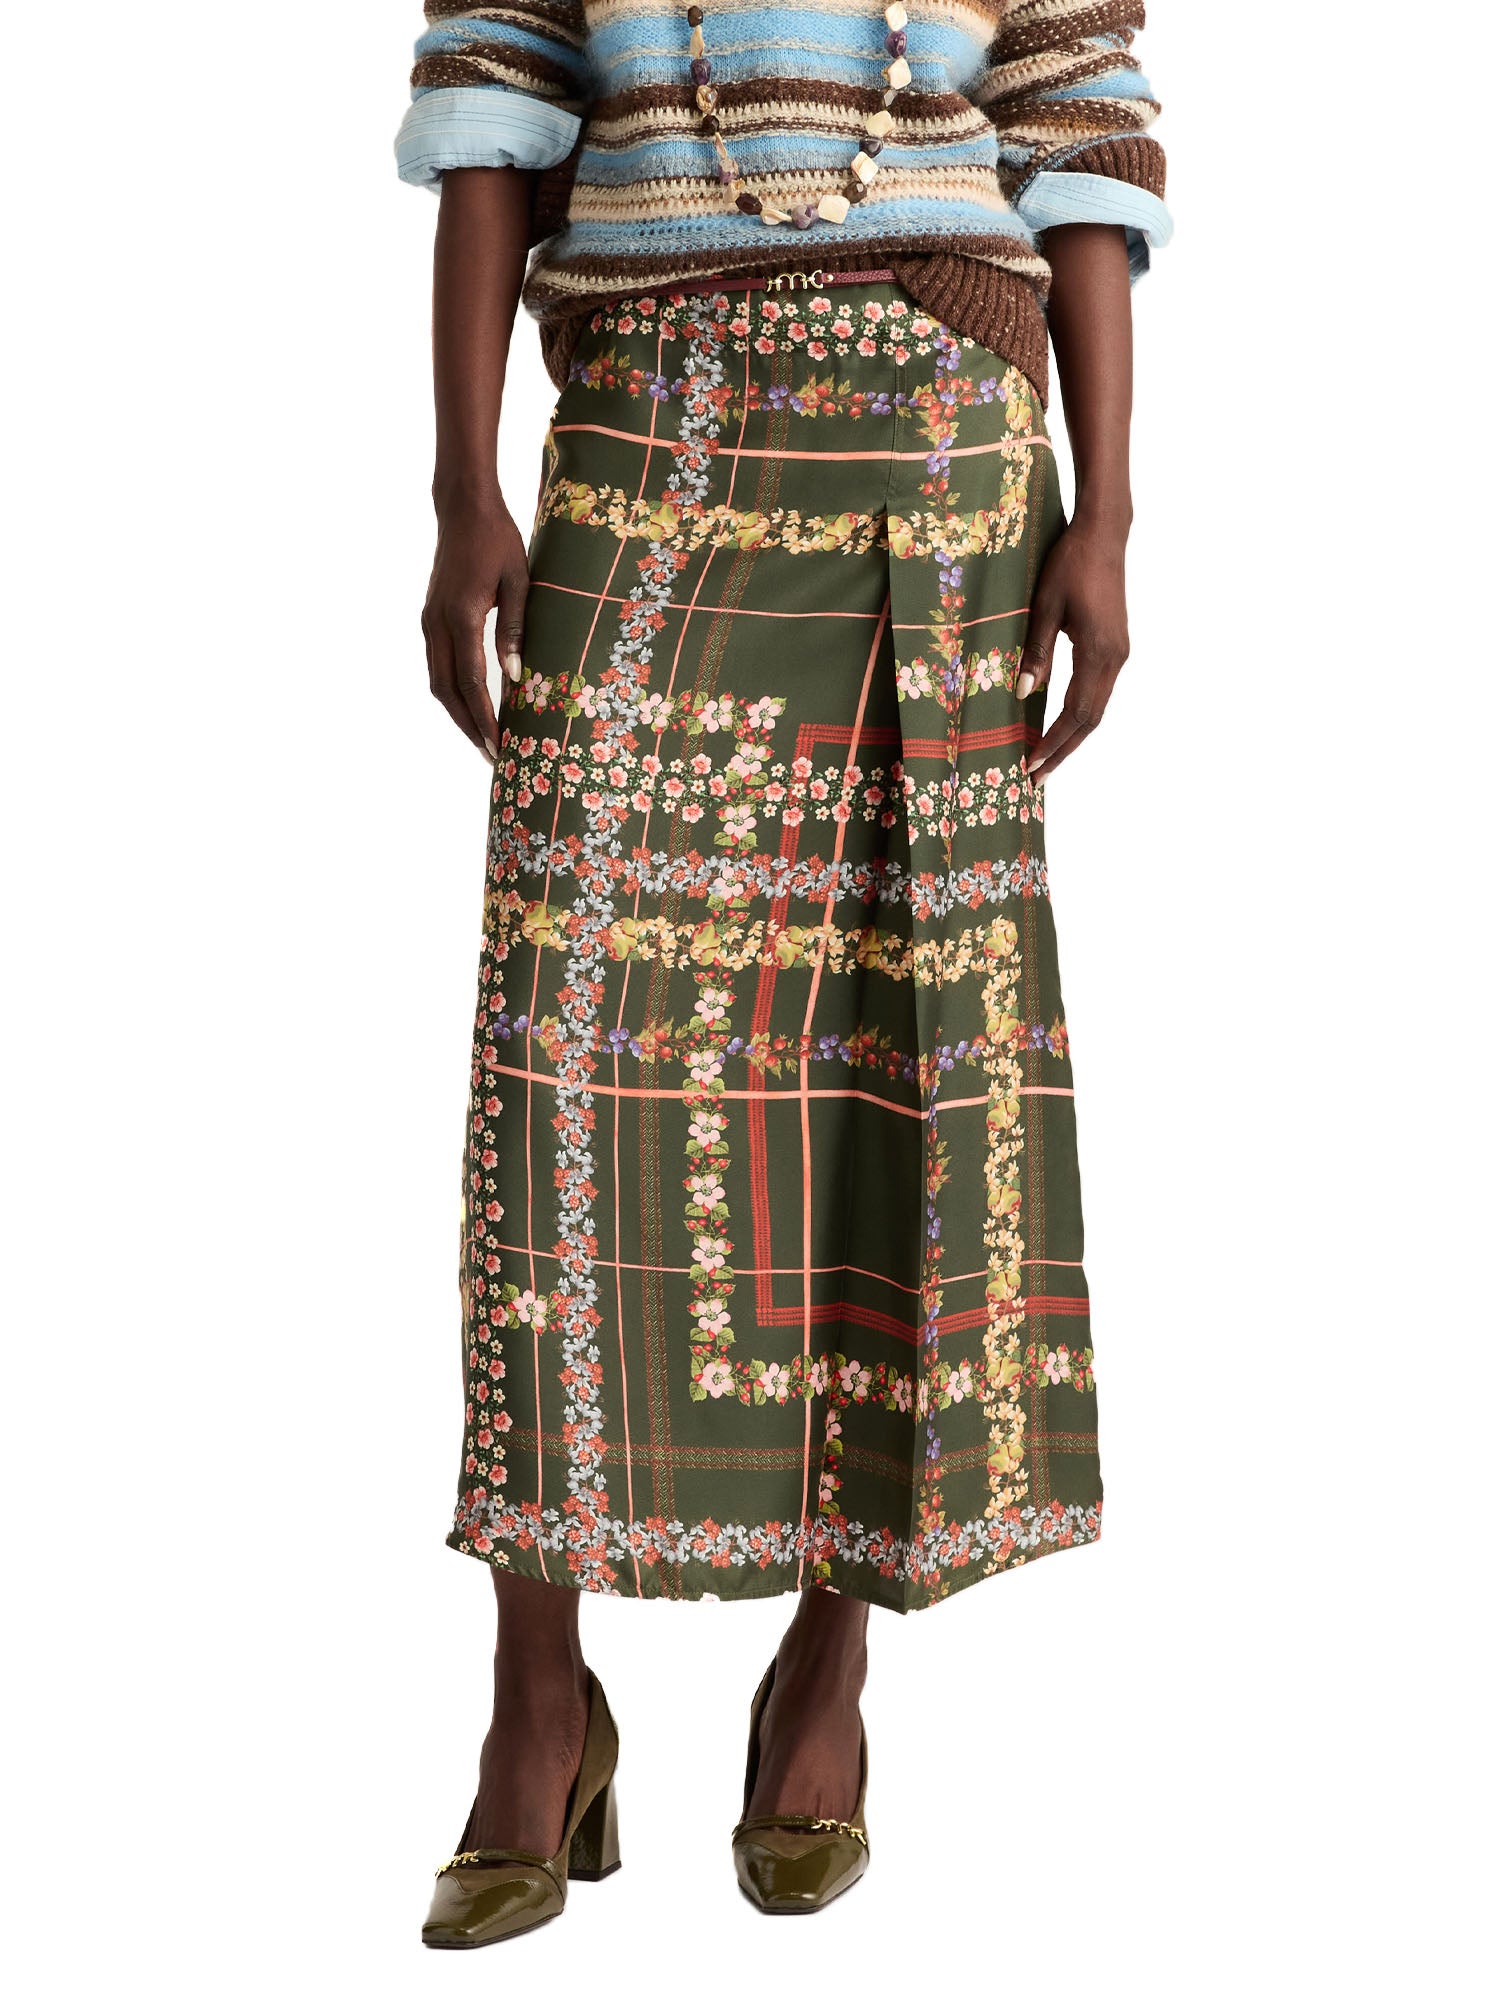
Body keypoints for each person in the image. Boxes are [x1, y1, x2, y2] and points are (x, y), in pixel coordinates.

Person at [397, 0, 1169, 1945]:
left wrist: (1112, 513)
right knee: (569, 1057)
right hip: (649, 415)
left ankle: (828, 1674)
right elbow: (493, 104)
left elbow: (1080, 120)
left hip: (942, 436)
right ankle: (537, 1700)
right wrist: (466, 486)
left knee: (892, 1050)